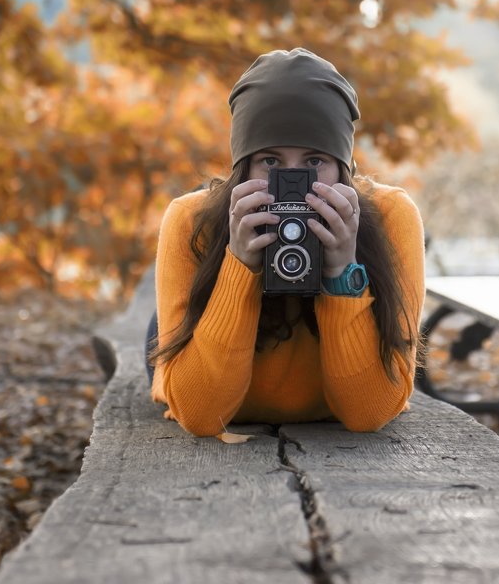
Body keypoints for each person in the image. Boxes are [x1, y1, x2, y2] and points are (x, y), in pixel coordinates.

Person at [149, 48, 425, 436]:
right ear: (241, 167)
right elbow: (199, 415)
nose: (292, 184)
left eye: (314, 162)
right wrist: (239, 265)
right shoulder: (190, 220)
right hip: (203, 332)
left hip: (316, 392)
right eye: (271, 162)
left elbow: (369, 414)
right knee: (169, 344)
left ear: (344, 169)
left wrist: (343, 272)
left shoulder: (390, 216)